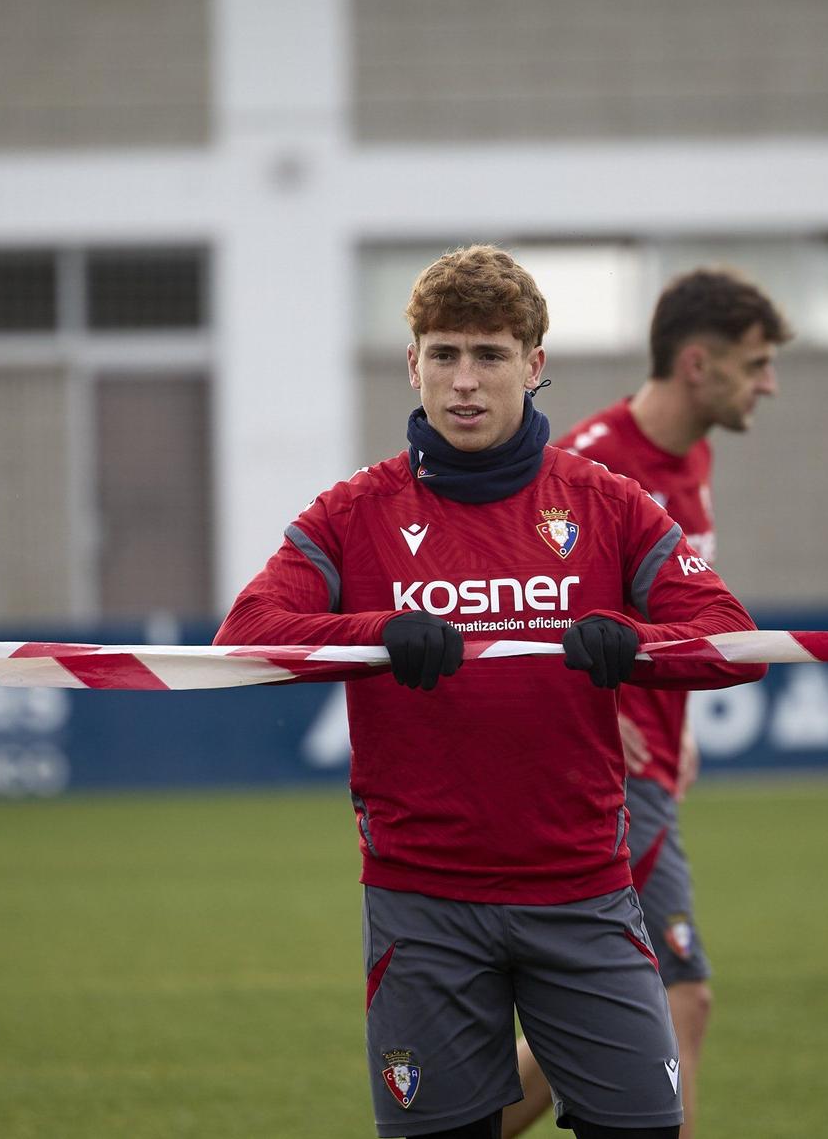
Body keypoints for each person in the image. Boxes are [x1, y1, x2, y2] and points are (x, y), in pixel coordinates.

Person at [216, 245, 767, 1139]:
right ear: (413, 364)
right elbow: (245, 634)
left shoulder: (607, 503)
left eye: (489, 355)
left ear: (534, 363)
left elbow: (732, 639)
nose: (464, 381)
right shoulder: (353, 512)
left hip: (584, 893)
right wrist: (378, 636)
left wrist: (634, 645)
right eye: (444, 354)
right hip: (423, 904)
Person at [503, 269, 787, 1139]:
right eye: (756, 364)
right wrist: (594, 701)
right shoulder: (588, 464)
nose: (770, 384)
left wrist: (677, 721)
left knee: (614, 1016)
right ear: (698, 363)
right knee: (679, 993)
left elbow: (671, 610)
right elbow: (511, 601)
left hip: (654, 769)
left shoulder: (694, 455)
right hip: (602, 777)